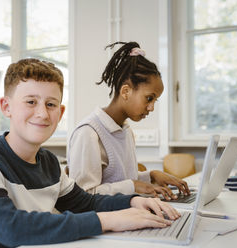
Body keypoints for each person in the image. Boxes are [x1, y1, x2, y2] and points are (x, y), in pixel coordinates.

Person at [0, 58, 180, 248]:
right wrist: (110, 220)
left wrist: (133, 202)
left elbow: (87, 203)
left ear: (60, 113)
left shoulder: (50, 163)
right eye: (31, 101)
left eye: (51, 105)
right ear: (6, 107)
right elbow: (9, 227)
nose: (42, 113)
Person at [67, 41, 190, 200]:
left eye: (155, 101)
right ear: (126, 91)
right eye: (149, 98)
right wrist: (133, 185)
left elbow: (119, 180)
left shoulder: (125, 131)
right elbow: (83, 196)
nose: (151, 107)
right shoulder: (88, 133)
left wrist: (151, 176)